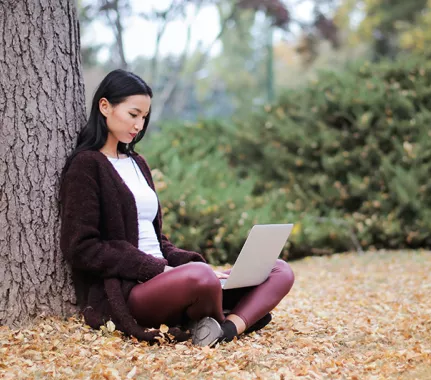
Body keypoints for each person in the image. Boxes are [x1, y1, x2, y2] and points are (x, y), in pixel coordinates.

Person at [59, 69, 295, 347]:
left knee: (279, 270)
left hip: (172, 278)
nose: (139, 125)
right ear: (105, 106)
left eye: (144, 117)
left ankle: (226, 329)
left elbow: (157, 239)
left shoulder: (138, 163)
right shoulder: (86, 165)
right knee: (201, 277)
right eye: (133, 114)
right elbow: (82, 247)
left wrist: (187, 263)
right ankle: (232, 315)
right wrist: (158, 270)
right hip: (131, 288)